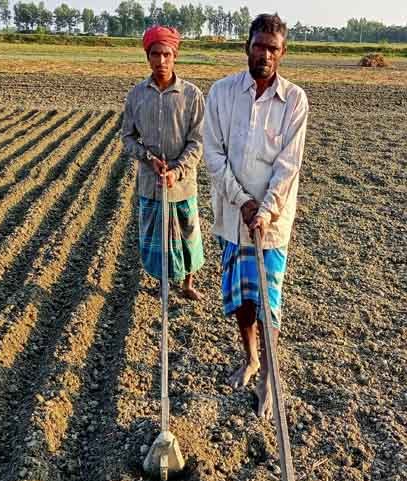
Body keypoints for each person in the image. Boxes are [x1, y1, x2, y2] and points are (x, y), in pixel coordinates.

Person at [203, 13, 309, 419]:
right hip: (233, 218)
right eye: (259, 45)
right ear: (246, 46)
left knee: (268, 300)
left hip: (272, 223)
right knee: (242, 299)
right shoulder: (222, 93)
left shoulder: (294, 100)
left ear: (283, 53)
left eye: (273, 48)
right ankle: (250, 358)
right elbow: (214, 154)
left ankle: (269, 375)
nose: (265, 54)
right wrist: (242, 202)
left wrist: (264, 210)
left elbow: (288, 165)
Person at [121, 25, 205, 300]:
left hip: (183, 183)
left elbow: (197, 141)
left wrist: (177, 170)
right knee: (157, 238)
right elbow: (128, 137)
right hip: (151, 182)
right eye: (155, 54)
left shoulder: (192, 95)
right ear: (147, 57)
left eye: (166, 54)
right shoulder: (136, 95)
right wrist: (148, 158)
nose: (161, 61)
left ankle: (188, 284)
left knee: (188, 234)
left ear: (175, 56)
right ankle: (162, 284)